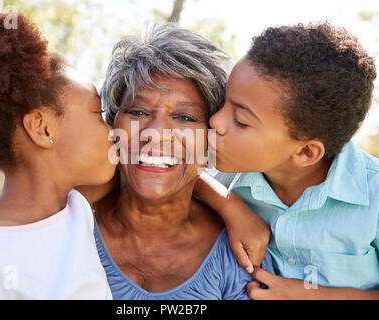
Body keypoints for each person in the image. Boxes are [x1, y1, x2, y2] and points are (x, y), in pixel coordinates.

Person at [79, 24, 274, 300]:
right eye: (138, 111)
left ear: (211, 141)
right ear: (113, 127)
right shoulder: (67, 223)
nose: (156, 134)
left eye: (185, 117)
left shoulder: (240, 255)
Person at [0, 10, 116, 299]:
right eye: (98, 113)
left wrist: (220, 205)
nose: (112, 130)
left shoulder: (76, 207)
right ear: (42, 128)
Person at [205, 23, 379, 299]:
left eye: (241, 121)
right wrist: (229, 205)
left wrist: (316, 295)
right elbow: (177, 175)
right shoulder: (227, 180)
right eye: (222, 103)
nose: (215, 121)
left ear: (305, 153)